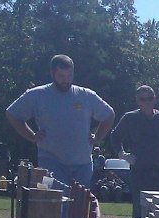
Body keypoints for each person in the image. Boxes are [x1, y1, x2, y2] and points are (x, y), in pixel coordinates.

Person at [6, 54, 115, 188]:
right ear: (52, 73)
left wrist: (98, 136)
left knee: (79, 205)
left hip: (83, 164)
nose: (66, 80)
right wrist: (31, 135)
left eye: (69, 76)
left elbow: (109, 115)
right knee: (55, 202)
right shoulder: (37, 95)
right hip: (50, 162)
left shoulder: (86, 95)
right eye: (61, 76)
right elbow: (12, 113)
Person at [110, 85, 159, 218]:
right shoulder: (130, 118)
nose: (147, 102)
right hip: (140, 172)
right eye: (143, 99)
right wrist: (123, 154)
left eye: (150, 98)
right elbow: (115, 136)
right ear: (137, 101)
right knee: (140, 208)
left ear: (155, 100)